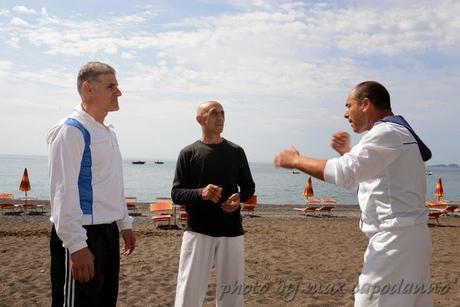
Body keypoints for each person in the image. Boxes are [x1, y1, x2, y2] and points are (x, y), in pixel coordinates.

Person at [274, 81, 432, 306]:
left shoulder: (386, 132)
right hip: (409, 238)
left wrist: (296, 161)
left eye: (348, 106)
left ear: (365, 104)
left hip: (395, 241)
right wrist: (348, 153)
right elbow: (367, 186)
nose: (345, 113)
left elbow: (344, 171)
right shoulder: (396, 133)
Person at [47, 61, 136, 307]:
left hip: (107, 233)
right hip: (81, 234)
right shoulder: (71, 130)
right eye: (111, 86)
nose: (118, 92)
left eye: (117, 85)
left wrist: (124, 223)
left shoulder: (107, 131)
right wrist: (76, 246)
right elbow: (62, 192)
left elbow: (112, 182)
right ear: (88, 89)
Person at [172, 100, 255, 307]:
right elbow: (176, 194)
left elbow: (248, 187)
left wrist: (238, 198)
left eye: (223, 113)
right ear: (200, 119)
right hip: (198, 232)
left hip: (232, 231)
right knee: (189, 290)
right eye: (214, 113)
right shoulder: (188, 153)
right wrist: (202, 193)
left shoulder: (236, 152)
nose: (220, 117)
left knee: (232, 295)